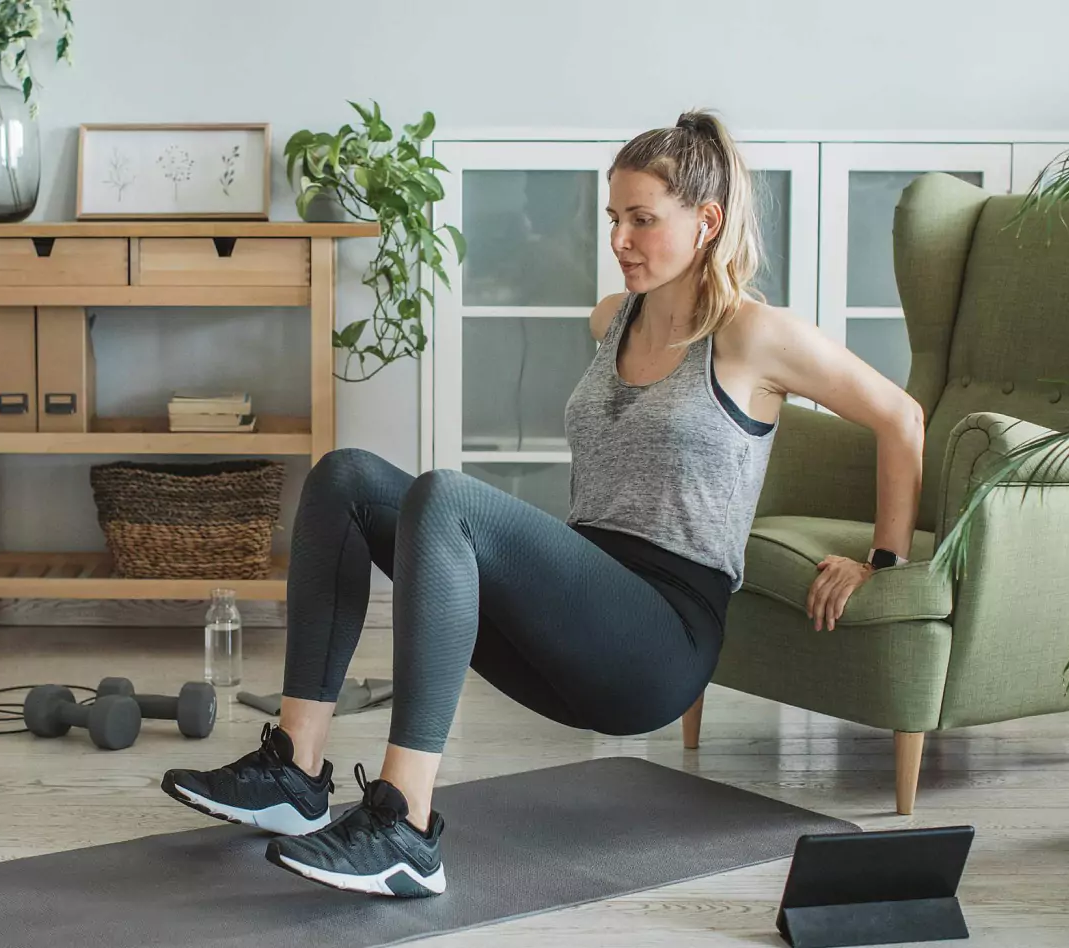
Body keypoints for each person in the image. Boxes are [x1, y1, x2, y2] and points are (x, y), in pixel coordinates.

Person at [162, 109, 925, 898]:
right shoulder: (611, 320)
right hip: (579, 608)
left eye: (642, 220)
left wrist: (883, 562)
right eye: (613, 219)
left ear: (707, 221)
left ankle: (406, 826)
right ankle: (296, 770)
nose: (620, 239)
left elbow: (902, 417)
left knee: (446, 499)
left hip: (659, 640)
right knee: (346, 477)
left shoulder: (753, 335)